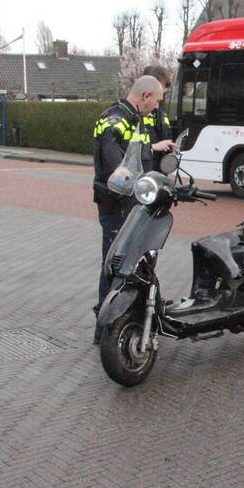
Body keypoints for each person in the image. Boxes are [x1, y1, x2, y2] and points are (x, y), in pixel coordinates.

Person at [91, 75, 174, 343]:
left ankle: (136, 316)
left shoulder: (134, 117)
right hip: (116, 203)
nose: (157, 107)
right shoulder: (116, 119)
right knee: (115, 261)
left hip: (133, 202)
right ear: (146, 96)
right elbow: (115, 159)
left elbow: (138, 156)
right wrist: (127, 176)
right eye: (157, 101)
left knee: (139, 259)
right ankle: (105, 328)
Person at [139, 65, 175, 172]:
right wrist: (154, 147)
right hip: (142, 178)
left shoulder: (160, 113)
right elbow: (128, 151)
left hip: (157, 176)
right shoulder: (132, 114)